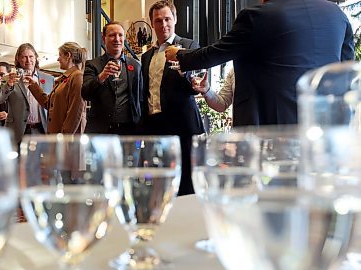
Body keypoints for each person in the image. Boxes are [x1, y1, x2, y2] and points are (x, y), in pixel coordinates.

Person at [165, 0, 354, 127]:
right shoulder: (337, 15)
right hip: (324, 128)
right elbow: (346, 72)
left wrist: (180, 55)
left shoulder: (258, 16)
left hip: (270, 129)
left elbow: (216, 52)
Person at [142, 0, 205, 196]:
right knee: (161, 186)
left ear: (175, 19)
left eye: (167, 19)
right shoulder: (146, 56)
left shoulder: (189, 46)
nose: (163, 25)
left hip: (183, 127)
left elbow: (196, 87)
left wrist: (183, 71)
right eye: (158, 21)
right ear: (152, 24)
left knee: (187, 185)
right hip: (155, 128)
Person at [81, 21, 143, 135]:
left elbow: (140, 98)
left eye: (120, 35)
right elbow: (85, 93)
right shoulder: (92, 64)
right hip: (100, 129)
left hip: (129, 130)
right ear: (104, 39)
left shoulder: (135, 65)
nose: (117, 39)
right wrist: (101, 77)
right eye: (112, 35)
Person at [0, 43, 54, 145]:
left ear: (36, 58)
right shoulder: (8, 78)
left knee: (40, 161)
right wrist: (9, 84)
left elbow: (52, 104)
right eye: (24, 57)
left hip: (41, 130)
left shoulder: (49, 79)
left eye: (31, 56)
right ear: (18, 59)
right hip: (17, 131)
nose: (28, 60)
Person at [26, 42, 87, 134]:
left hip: (66, 138)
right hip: (57, 134)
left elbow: (75, 112)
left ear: (68, 55)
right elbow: (49, 104)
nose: (58, 59)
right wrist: (33, 85)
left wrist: (64, 137)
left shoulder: (77, 76)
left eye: (60, 55)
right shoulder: (65, 78)